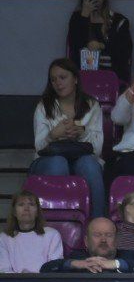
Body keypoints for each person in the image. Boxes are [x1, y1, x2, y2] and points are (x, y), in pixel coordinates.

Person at [29, 57, 106, 220]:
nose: (58, 83)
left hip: (82, 158)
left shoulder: (92, 105)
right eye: (53, 79)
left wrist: (82, 132)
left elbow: (98, 149)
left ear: (75, 79)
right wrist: (52, 135)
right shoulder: (44, 106)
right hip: (48, 160)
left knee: (90, 164)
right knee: (59, 163)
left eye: (63, 77)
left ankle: (97, 225)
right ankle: (54, 223)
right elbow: (39, 147)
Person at [66, 0, 134, 77]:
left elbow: (124, 52)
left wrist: (101, 46)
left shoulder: (118, 21)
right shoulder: (77, 18)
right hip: (82, 75)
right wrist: (84, 15)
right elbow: (74, 46)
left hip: (111, 74)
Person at [38, 216, 134, 274]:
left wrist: (115, 264)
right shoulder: (77, 258)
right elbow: (45, 269)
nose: (103, 240)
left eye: (108, 235)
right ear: (86, 242)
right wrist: (75, 264)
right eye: (97, 235)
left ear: (117, 240)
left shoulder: (131, 256)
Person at [1, 191, 63, 274]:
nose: (26, 208)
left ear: (37, 211)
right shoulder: (4, 238)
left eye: (31, 204)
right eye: (21, 204)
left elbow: (55, 268)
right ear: (14, 212)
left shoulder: (52, 235)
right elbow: (4, 270)